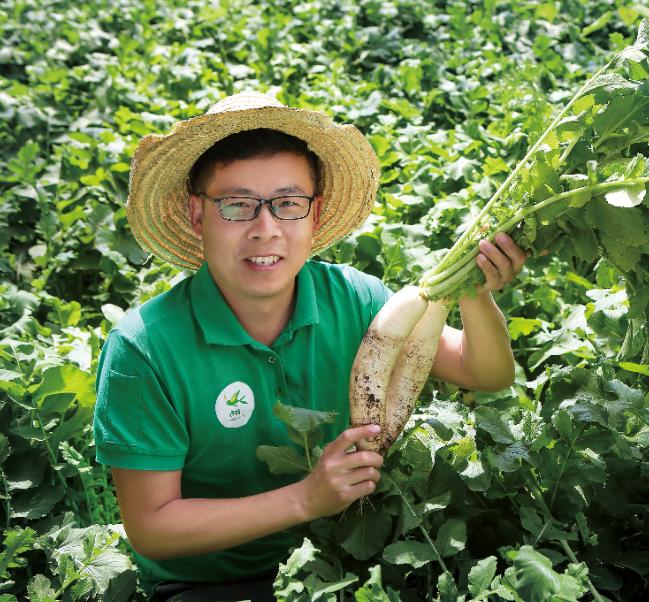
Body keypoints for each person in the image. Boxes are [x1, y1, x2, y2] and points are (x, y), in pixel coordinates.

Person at [93, 92, 527, 601]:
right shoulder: (143, 349)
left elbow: (487, 373)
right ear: (196, 215)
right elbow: (153, 527)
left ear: (314, 214)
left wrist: (474, 294)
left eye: (287, 203)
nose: (266, 229)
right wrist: (305, 499)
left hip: (343, 556)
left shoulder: (356, 299)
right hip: (209, 584)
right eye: (236, 205)